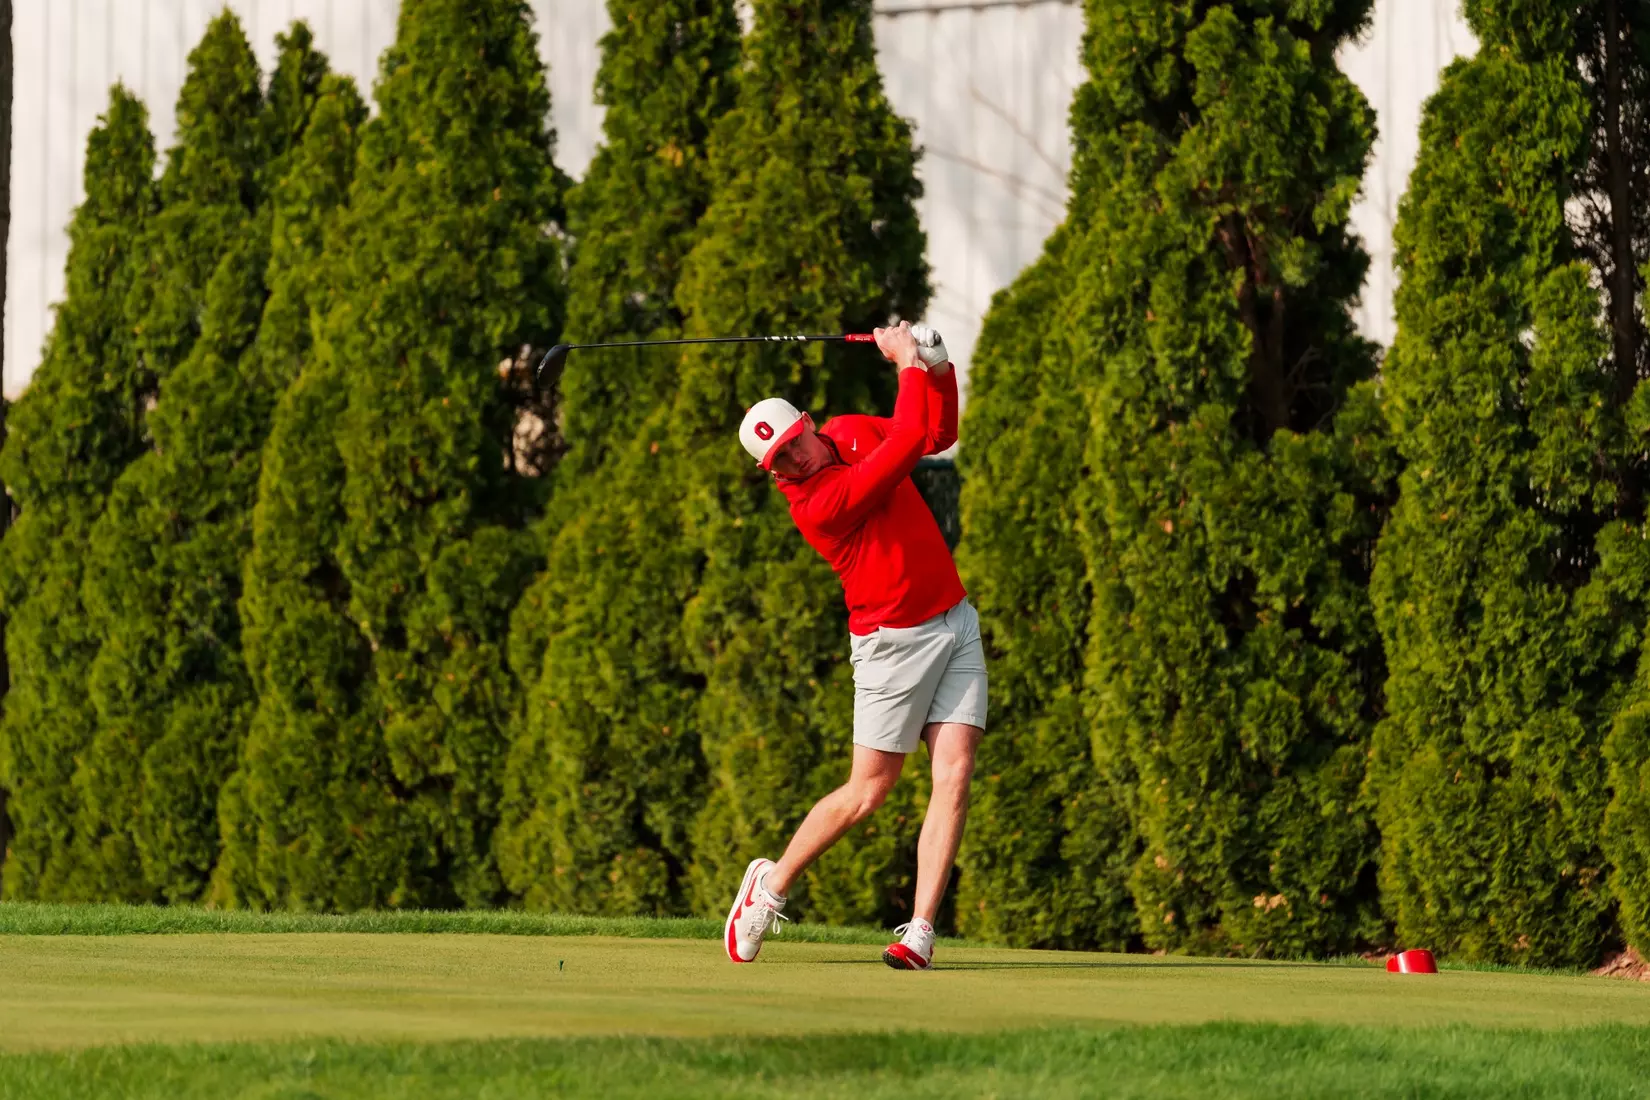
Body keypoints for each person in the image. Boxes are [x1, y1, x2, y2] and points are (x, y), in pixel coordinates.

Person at [723, 321, 987, 971]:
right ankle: (770, 886)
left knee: (953, 774)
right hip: (891, 646)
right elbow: (900, 451)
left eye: (793, 445)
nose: (792, 462)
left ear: (810, 424)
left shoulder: (849, 431)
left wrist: (937, 363)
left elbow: (934, 435)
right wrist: (904, 364)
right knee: (869, 791)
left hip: (953, 621)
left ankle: (921, 930)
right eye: (777, 462)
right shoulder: (815, 503)